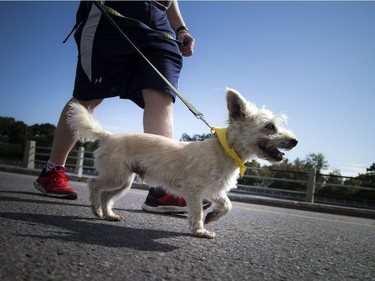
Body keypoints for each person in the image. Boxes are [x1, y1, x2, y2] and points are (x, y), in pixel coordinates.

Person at [34, 0, 211, 213]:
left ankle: (162, 187)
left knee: (161, 95)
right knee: (89, 96)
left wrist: (181, 28)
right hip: (113, 8)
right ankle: (53, 170)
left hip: (160, 23)